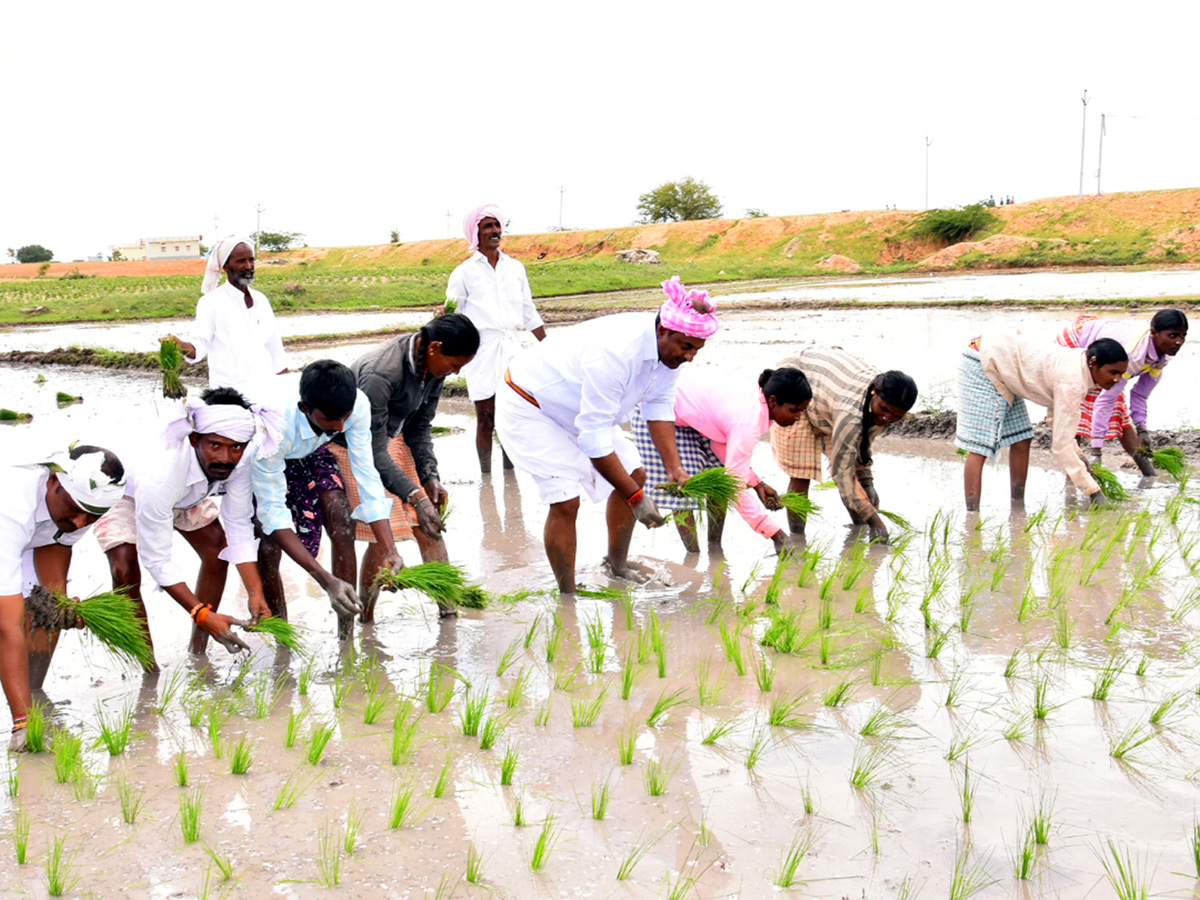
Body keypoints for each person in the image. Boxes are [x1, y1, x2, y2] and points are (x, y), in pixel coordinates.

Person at [496, 275, 718, 593]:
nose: (690, 356)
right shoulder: (616, 353)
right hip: (529, 403)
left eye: (696, 349)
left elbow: (659, 406)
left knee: (634, 473)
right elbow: (594, 439)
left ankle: (617, 565)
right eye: (687, 347)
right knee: (565, 500)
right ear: (664, 330)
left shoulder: (669, 355)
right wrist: (637, 499)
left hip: (575, 404)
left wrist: (675, 468)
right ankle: (568, 594)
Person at [94, 388, 280, 659]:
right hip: (130, 493)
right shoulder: (163, 474)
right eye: (215, 445)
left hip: (190, 493)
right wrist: (201, 612)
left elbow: (238, 523)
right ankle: (146, 664)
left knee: (217, 551)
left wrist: (255, 592)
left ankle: (198, 651)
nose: (225, 458)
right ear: (195, 439)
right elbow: (157, 559)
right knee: (124, 569)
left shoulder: (237, 464)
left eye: (235, 446)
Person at [329, 314, 480, 618]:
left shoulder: (433, 368)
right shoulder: (381, 374)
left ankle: (448, 612)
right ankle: (366, 619)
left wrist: (429, 477)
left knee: (429, 525)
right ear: (435, 347)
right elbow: (371, 452)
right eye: (454, 366)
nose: (455, 373)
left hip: (392, 438)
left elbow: (421, 426)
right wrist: (415, 495)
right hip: (352, 448)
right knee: (378, 533)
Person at [252, 360, 402, 636]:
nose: (342, 427)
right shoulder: (272, 424)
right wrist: (323, 578)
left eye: (345, 417)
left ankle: (347, 635)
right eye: (332, 420)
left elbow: (366, 474)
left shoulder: (355, 406)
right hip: (268, 455)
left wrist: (389, 548)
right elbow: (272, 510)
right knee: (267, 544)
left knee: (341, 518)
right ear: (305, 408)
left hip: (312, 449)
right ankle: (283, 639)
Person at [1, 445, 126, 749]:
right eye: (75, 509)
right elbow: (6, 628)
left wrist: (60, 604)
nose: (81, 523)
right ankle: (22, 714)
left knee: (42, 609)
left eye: (93, 516)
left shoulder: (78, 508)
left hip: (27, 537)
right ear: (54, 481)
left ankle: (33, 694)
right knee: (11, 622)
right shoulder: (11, 508)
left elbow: (55, 544)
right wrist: (22, 724)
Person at [633, 366, 811, 555]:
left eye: (802, 411)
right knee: (683, 488)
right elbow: (734, 485)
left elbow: (722, 447)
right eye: (794, 410)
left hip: (692, 417)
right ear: (774, 401)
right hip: (658, 413)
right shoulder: (747, 422)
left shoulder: (758, 403)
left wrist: (757, 484)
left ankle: (715, 549)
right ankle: (694, 557)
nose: (798, 417)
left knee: (718, 479)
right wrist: (776, 534)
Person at [956, 333, 1129, 509]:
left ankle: (1017, 506)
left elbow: (1059, 421)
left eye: (1121, 374)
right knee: (981, 445)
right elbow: (1060, 445)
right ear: (1093, 363)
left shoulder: (1081, 366)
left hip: (1005, 366)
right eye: (1113, 372)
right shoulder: (1073, 381)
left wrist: (1079, 456)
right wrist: (1093, 491)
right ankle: (972, 517)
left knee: (1021, 438)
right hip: (983, 359)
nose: (1117, 380)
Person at [770, 348, 917, 543]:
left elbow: (861, 445)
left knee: (857, 482)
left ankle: (859, 533)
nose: (886, 418)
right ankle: (798, 540)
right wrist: (876, 521)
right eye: (884, 409)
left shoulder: (885, 411)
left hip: (829, 402)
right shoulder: (850, 414)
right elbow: (842, 473)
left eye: (896, 416)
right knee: (802, 473)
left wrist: (867, 481)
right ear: (875, 393)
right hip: (798, 387)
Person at [446, 204, 547, 473]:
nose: (494, 231)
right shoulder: (464, 273)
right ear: (475, 233)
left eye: (497, 225)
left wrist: (549, 346)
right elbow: (452, 314)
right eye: (487, 226)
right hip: (481, 350)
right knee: (486, 417)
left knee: (511, 416)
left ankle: (509, 476)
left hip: (512, 349)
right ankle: (486, 478)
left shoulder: (515, 268)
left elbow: (528, 311)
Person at [1055, 309, 1187, 475]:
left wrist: (1142, 429)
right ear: (1154, 333)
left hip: (1105, 347)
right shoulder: (1133, 355)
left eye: (1183, 336)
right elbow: (1105, 401)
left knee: (1116, 405)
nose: (1179, 342)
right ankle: (1074, 474)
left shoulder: (1161, 359)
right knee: (1075, 405)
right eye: (1173, 336)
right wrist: (1097, 450)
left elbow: (1140, 395)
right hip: (1078, 341)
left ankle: (1148, 474)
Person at [161, 236, 289, 402]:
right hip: (229, 397)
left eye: (251, 260)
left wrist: (288, 387)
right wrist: (178, 344)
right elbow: (200, 347)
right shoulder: (211, 303)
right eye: (241, 261)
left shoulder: (261, 300)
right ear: (226, 266)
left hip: (266, 393)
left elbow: (275, 349)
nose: (248, 266)